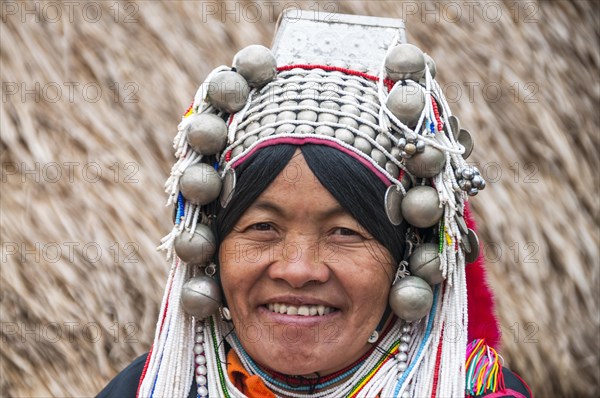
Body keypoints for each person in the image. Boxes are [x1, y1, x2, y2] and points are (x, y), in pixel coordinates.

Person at [99, 14, 531, 398]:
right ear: (212, 248)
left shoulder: (475, 392)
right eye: (263, 227)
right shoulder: (150, 388)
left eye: (344, 232)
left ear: (408, 255)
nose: (298, 269)